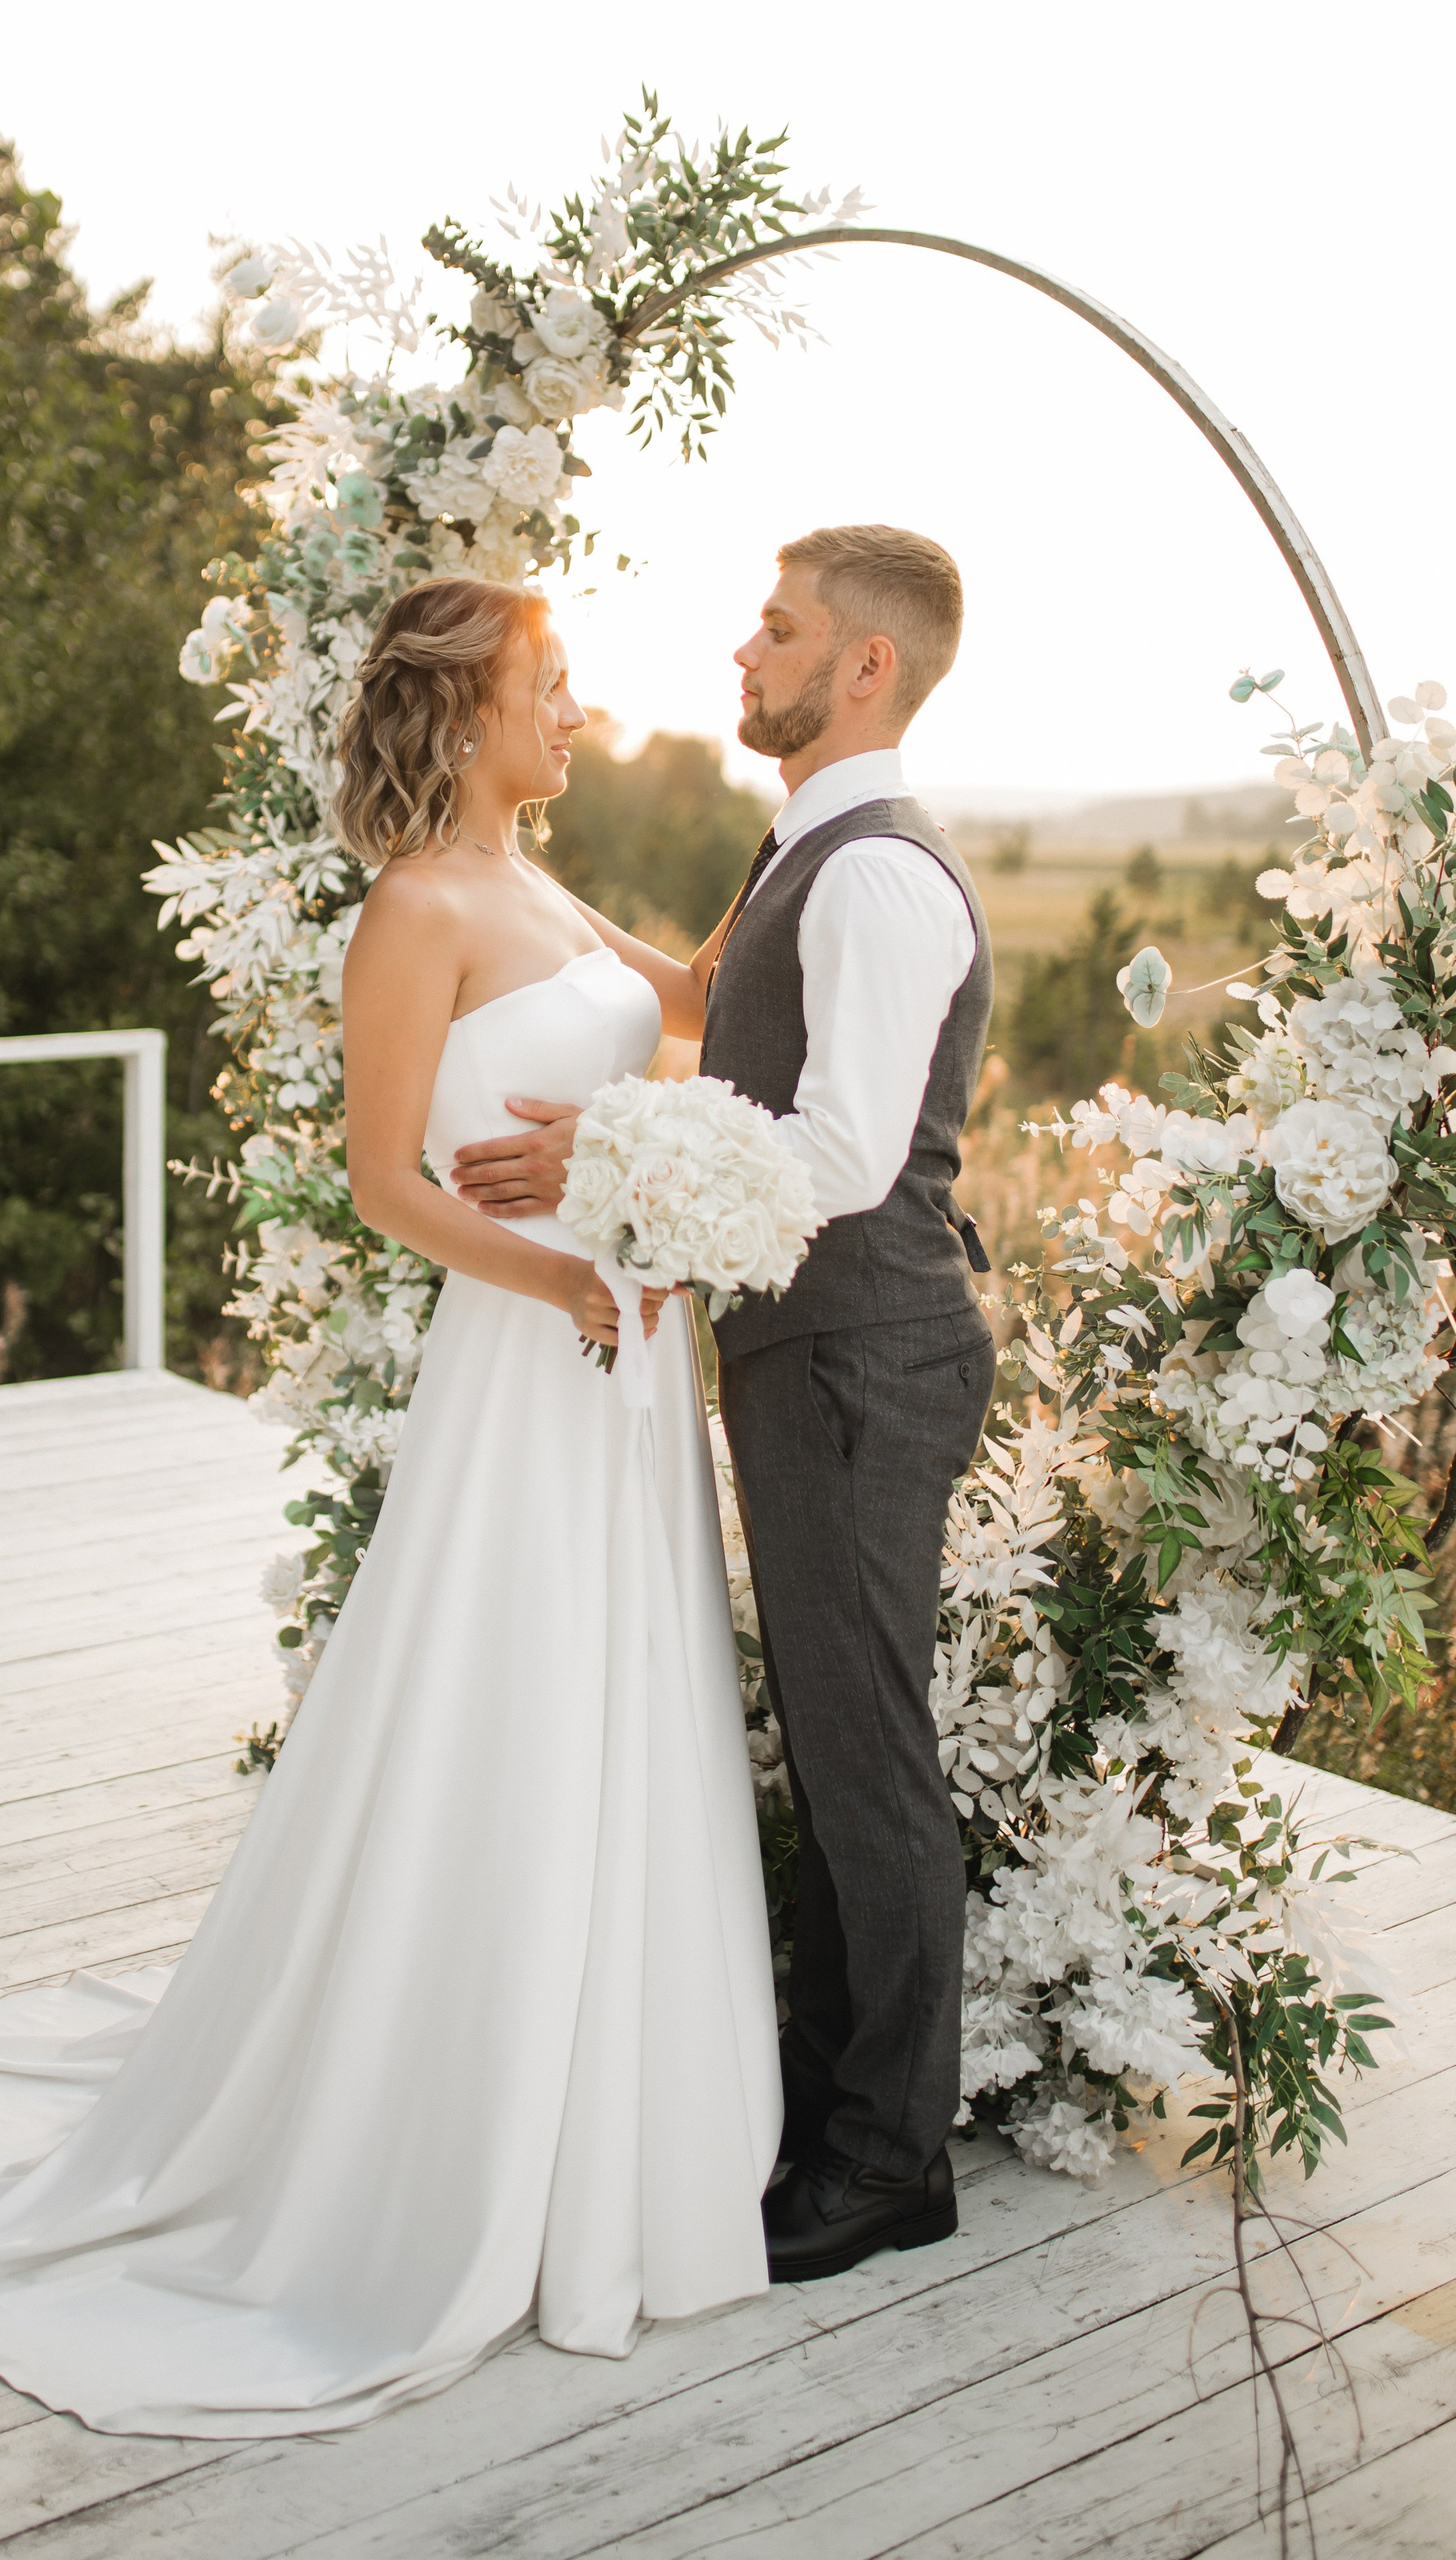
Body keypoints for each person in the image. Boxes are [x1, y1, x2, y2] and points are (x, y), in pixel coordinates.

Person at [0, 573, 780, 2438]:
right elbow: (387, 1189)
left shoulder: (544, 886)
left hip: (627, 1356)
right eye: (551, 685)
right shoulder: (415, 909)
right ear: (463, 710)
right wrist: (565, 1281)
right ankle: (447, 2119)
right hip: (535, 1358)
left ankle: (613, 2108)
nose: (575, 711)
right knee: (496, 1703)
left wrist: (804, 814)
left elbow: (682, 1005)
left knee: (623, 1697)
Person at [453, 523, 994, 2282]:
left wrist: (603, 1153)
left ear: (864, 670)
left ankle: (886, 2159)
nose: (737, 654)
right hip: (807, 1350)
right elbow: (705, 1009)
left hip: (861, 1355)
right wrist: (531, 900)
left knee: (864, 1759)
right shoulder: (802, 854)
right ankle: (833, 2118)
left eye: (773, 632)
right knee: (832, 1745)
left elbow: (838, 1150)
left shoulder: (880, 878)